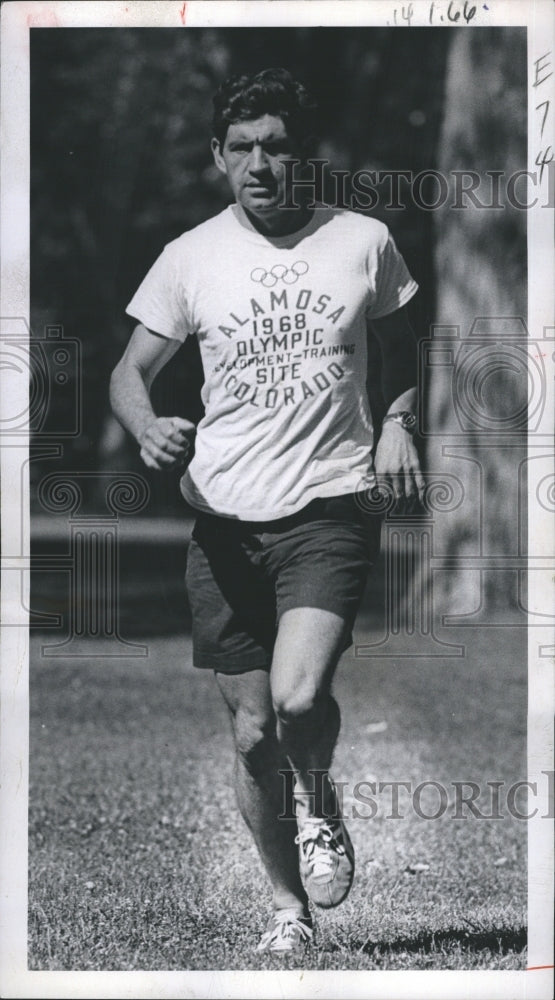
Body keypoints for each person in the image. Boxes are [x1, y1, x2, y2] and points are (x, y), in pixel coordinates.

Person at [110, 68, 424, 955]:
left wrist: (398, 420)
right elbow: (129, 374)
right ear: (218, 158)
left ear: (304, 157)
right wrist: (147, 428)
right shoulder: (189, 257)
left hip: (328, 501)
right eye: (241, 148)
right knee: (251, 733)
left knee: (297, 696)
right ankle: (288, 911)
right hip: (222, 517)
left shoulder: (362, 240)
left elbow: (398, 341)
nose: (259, 164)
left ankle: (317, 799)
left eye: (276, 146)